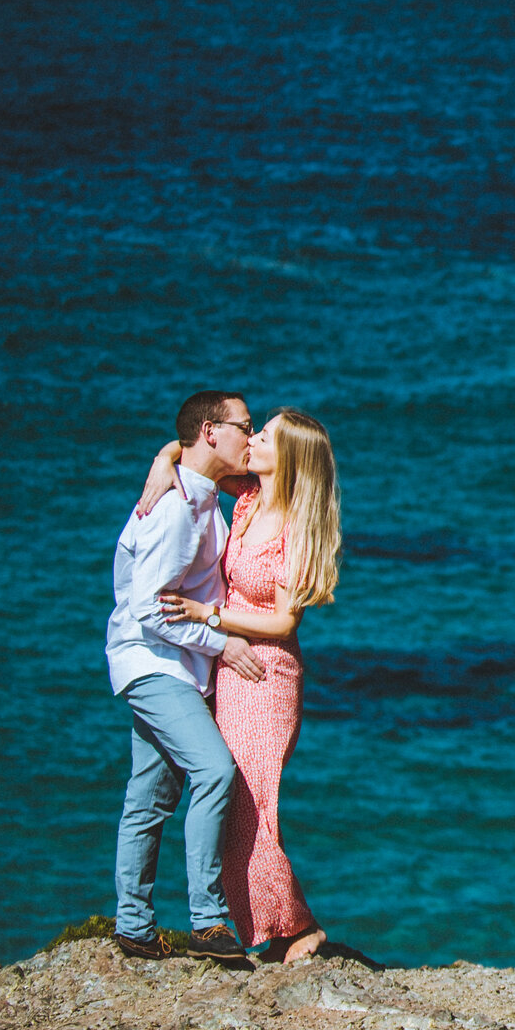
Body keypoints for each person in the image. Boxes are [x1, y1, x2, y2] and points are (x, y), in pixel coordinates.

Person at [139, 408, 342, 964]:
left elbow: (285, 622)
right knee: (235, 805)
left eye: (263, 436)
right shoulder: (249, 497)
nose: (250, 440)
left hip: (268, 675)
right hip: (232, 667)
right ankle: (269, 928)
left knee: (253, 804)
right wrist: (163, 461)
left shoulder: (296, 526)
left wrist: (211, 615)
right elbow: (198, 451)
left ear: (290, 457)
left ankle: (297, 927)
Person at [106, 390, 260, 962]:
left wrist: (166, 454)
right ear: (212, 431)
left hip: (169, 665)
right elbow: (147, 606)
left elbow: (126, 562)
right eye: (245, 425)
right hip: (154, 664)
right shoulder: (174, 507)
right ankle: (207, 920)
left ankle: (134, 927)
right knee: (216, 771)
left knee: (149, 798)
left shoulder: (200, 495)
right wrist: (222, 642)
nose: (252, 434)